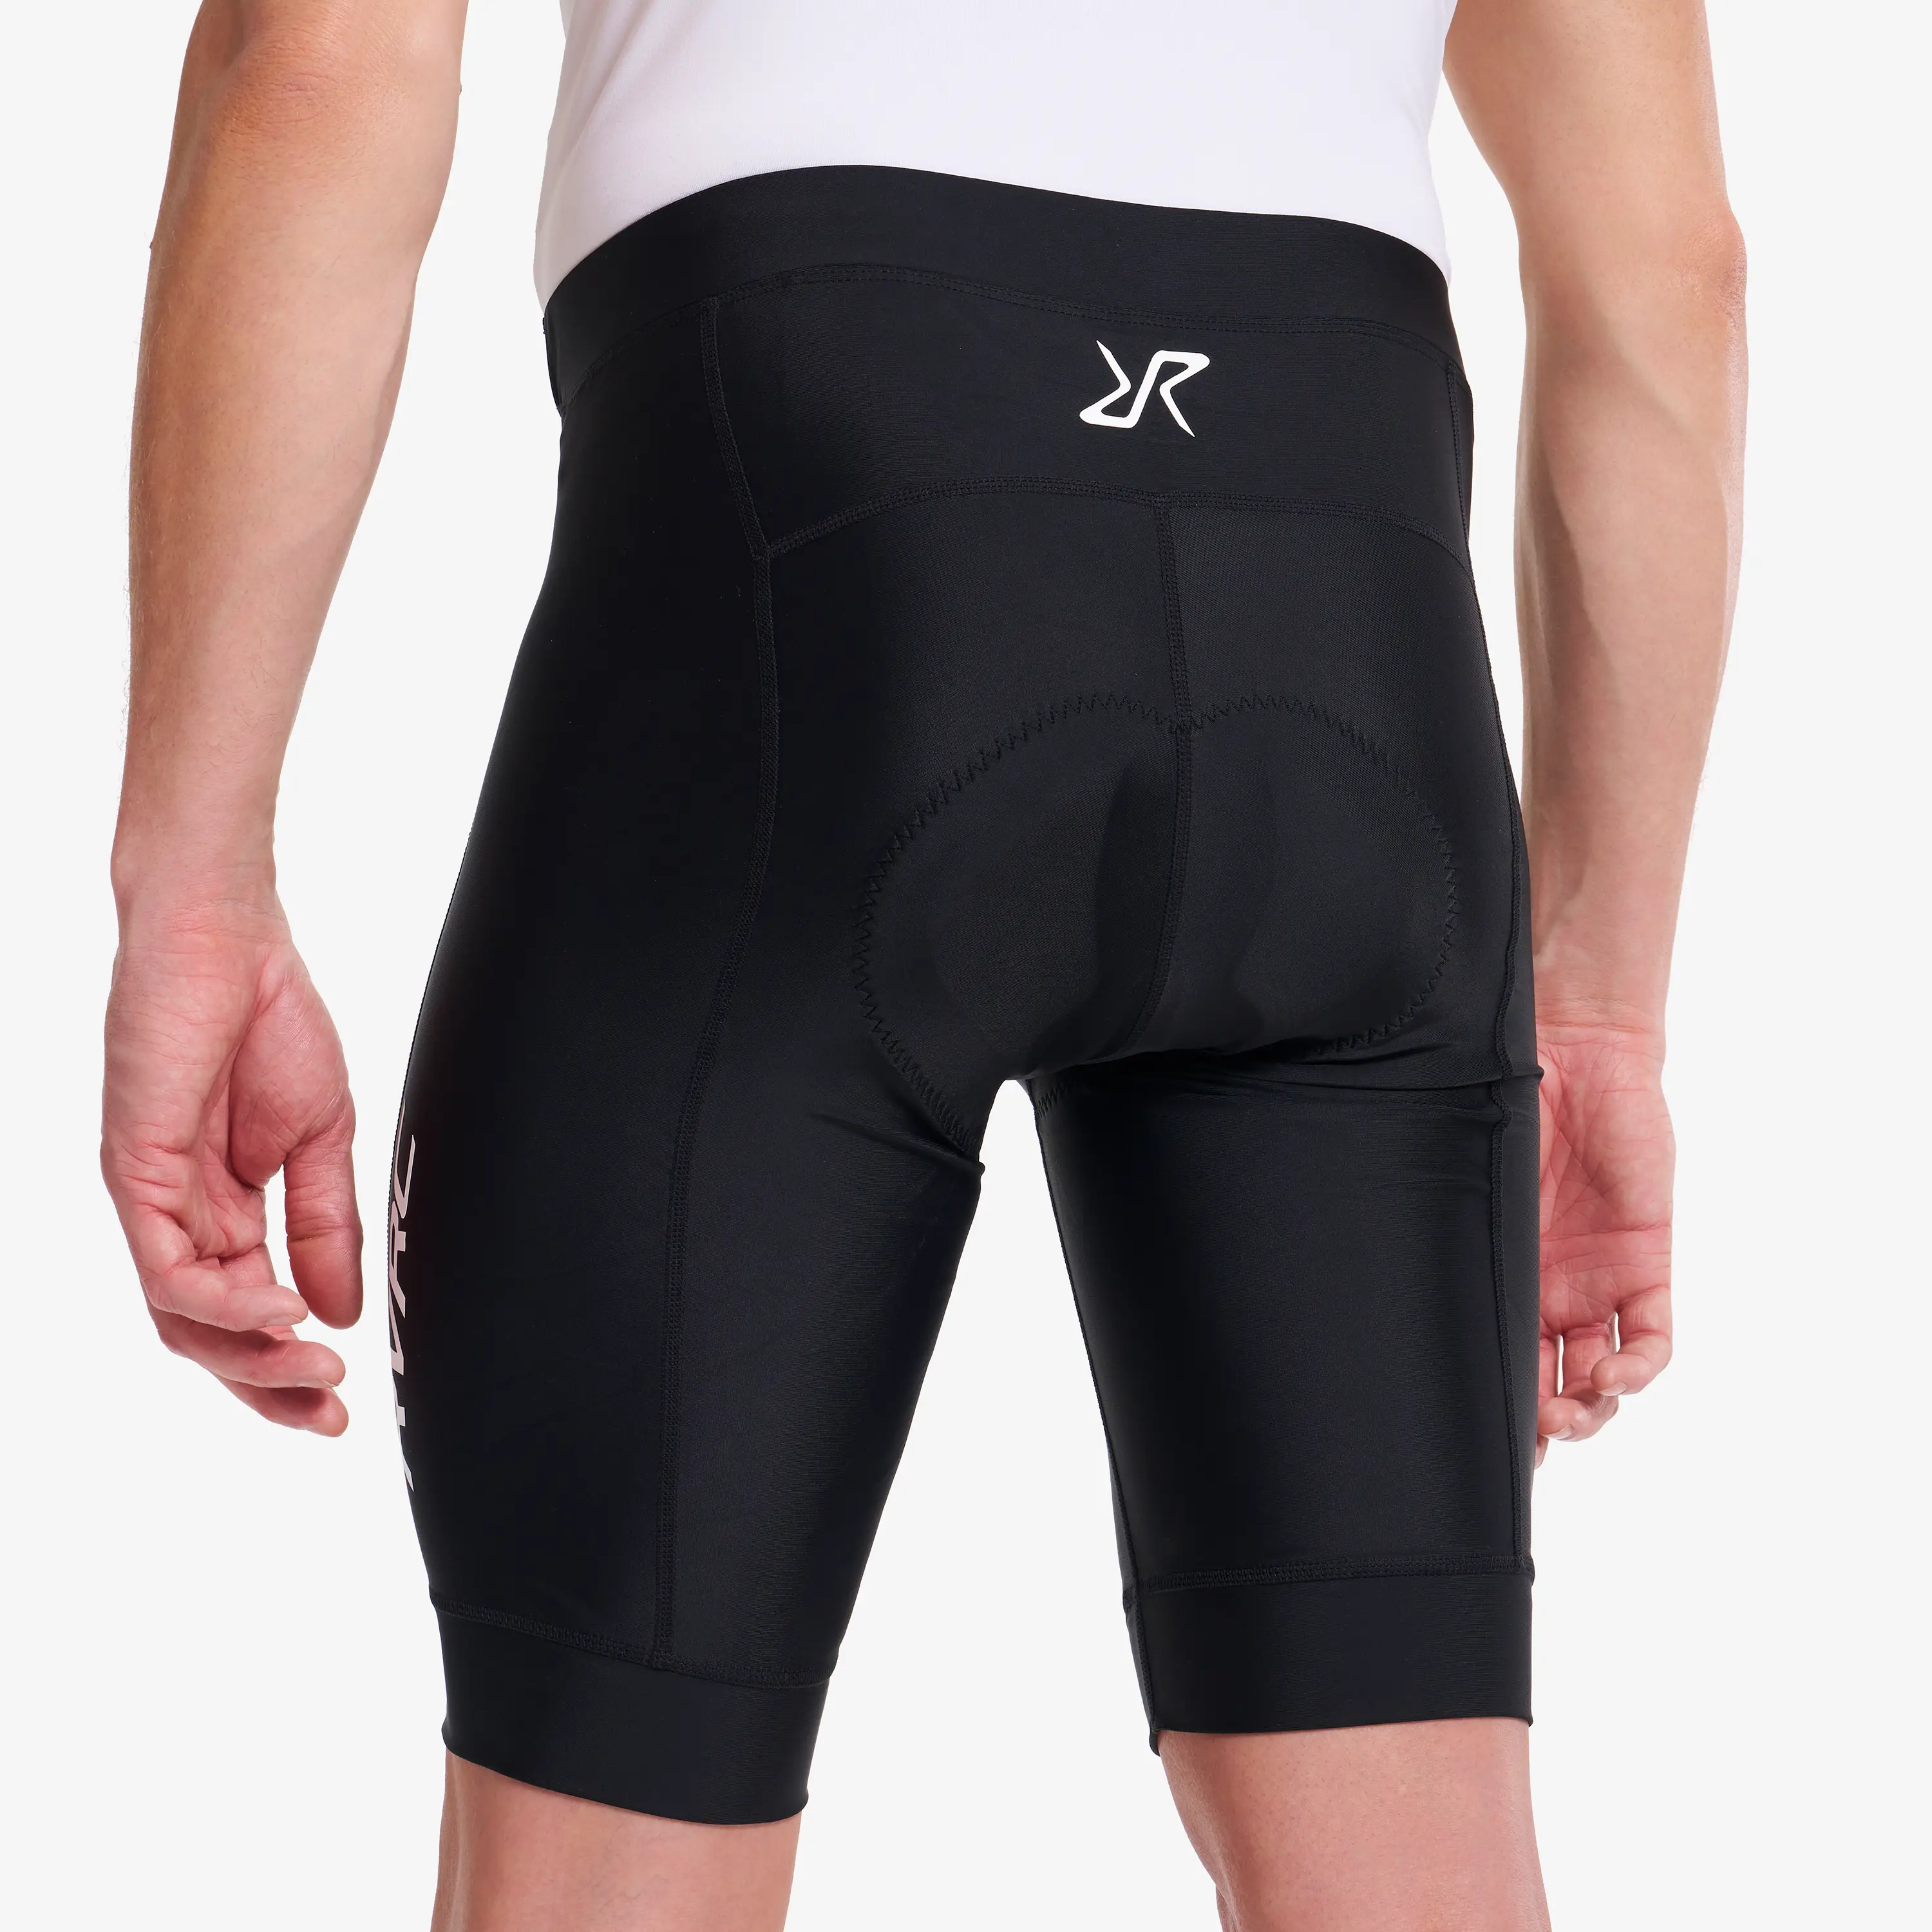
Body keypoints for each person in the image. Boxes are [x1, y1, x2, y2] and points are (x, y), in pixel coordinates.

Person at [100, 0, 1743, 1924]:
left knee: (610, 1829)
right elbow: (1666, 276)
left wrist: (194, 886)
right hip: (1345, 589)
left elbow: (315, 61)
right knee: (1419, 1850)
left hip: (809, 536)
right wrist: (1599, 1008)